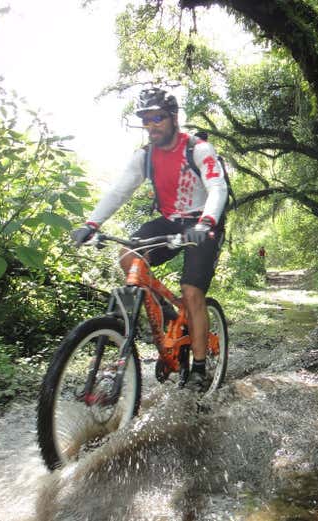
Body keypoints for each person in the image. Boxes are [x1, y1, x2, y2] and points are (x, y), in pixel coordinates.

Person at [70, 87, 228, 391]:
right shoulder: (144, 157)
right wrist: (91, 223)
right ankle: (168, 314)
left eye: (157, 117)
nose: (152, 125)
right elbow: (119, 190)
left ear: (173, 118)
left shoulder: (197, 149)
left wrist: (207, 221)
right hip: (169, 220)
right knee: (128, 257)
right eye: (146, 119)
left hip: (202, 222)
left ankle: (198, 368)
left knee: (192, 292)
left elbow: (217, 188)